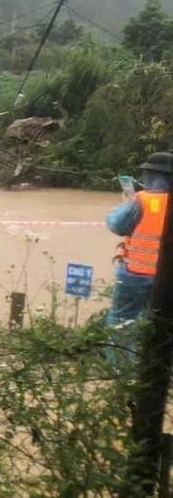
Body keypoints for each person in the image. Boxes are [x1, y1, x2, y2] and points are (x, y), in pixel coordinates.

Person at [106, 152, 173, 362]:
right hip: (166, 280)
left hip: (135, 275)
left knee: (122, 320)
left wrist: (127, 201)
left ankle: (120, 369)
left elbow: (116, 224)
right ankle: (154, 368)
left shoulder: (142, 201)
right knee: (159, 322)